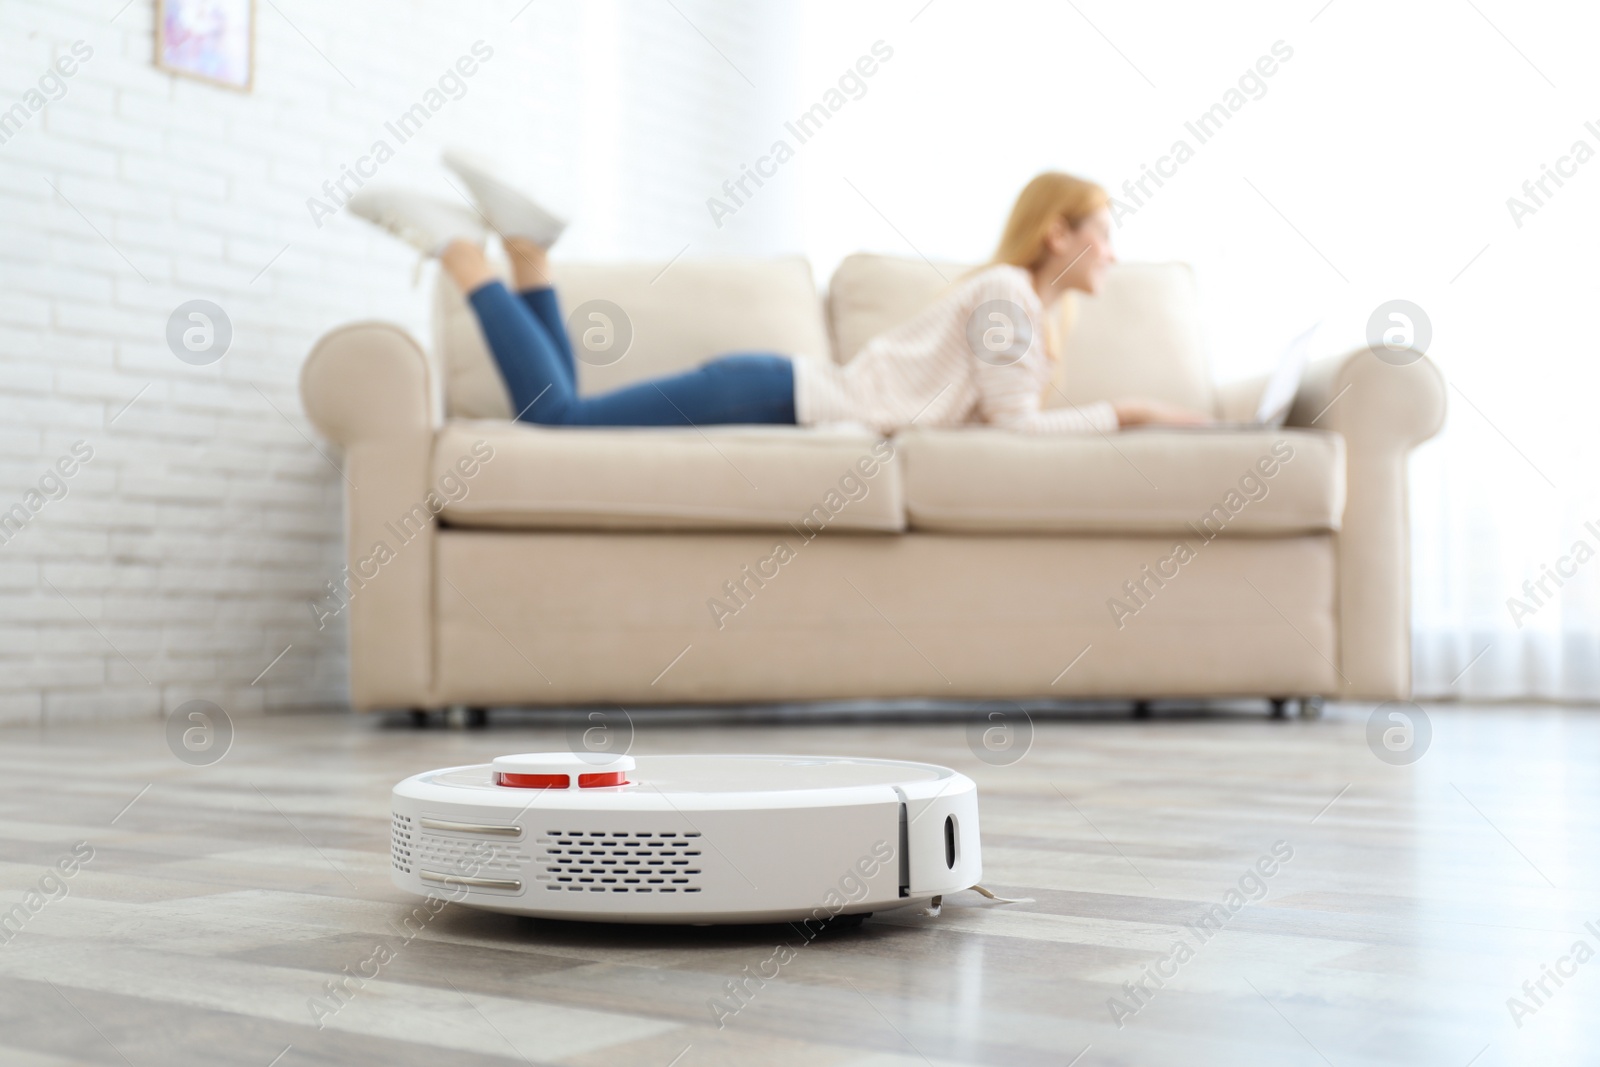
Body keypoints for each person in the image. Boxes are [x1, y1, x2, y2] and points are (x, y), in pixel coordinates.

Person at [350, 158, 1210, 431]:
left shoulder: (1014, 299)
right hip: (773, 392)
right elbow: (1017, 432)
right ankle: (467, 258)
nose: (1114, 252)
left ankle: (528, 254)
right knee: (557, 422)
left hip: (771, 388)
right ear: (1056, 231)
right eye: (1103, 228)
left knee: (565, 415)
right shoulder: (1007, 295)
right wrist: (1130, 411)